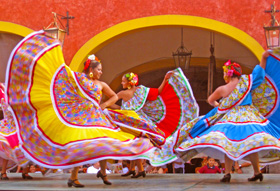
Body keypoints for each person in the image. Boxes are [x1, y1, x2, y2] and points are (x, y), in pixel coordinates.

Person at [4, 31, 168, 187]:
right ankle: (73, 177)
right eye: (98, 69)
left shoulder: (102, 85)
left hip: (98, 116)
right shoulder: (79, 79)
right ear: (91, 70)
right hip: (82, 118)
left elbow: (114, 97)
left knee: (105, 143)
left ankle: (103, 173)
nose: (101, 72)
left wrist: (104, 105)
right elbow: (65, 75)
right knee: (83, 145)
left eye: (101, 70)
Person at [174, 50, 280, 183]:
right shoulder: (246, 82)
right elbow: (259, 74)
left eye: (225, 72)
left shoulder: (222, 89)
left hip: (231, 117)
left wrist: (220, 107)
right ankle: (257, 172)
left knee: (227, 144)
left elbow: (210, 100)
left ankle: (228, 173)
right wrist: (264, 57)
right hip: (249, 116)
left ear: (228, 74)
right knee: (253, 143)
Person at [112, 69, 199, 176]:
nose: (122, 83)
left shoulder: (125, 93)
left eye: (123, 81)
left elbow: (112, 101)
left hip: (134, 122)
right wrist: (165, 79)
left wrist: (103, 105)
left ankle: (139, 170)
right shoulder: (141, 90)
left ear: (130, 83)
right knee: (135, 143)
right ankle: (134, 169)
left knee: (134, 143)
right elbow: (158, 92)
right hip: (143, 122)